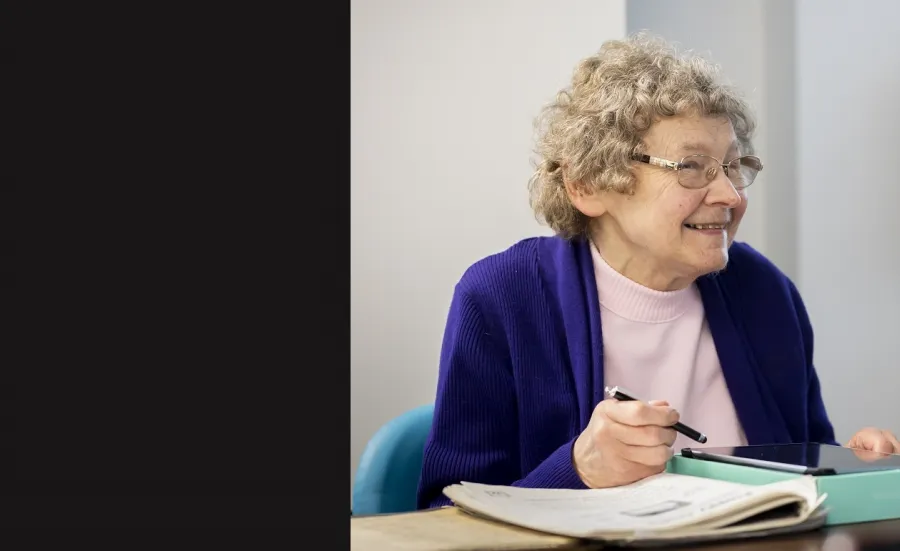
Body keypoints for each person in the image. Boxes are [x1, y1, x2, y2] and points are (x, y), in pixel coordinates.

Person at [415, 33, 900, 509]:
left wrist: (862, 472)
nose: (730, 195)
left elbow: (811, 478)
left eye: (734, 166)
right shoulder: (503, 297)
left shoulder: (764, 292)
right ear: (588, 185)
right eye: (692, 166)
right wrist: (578, 470)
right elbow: (442, 517)